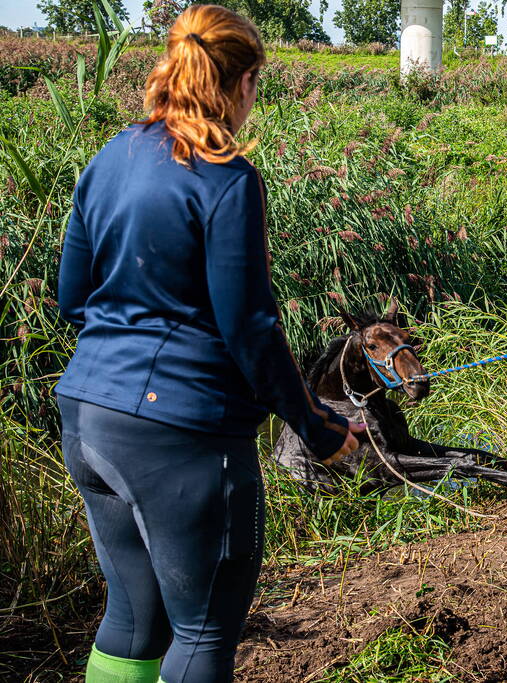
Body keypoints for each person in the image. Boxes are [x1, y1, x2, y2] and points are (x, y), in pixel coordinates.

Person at [55, 6, 365, 681]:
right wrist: (315, 425)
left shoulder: (110, 156)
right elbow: (249, 329)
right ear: (245, 81)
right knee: (202, 629)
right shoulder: (226, 178)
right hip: (181, 438)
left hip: (86, 416)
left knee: (133, 616)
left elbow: (71, 299)